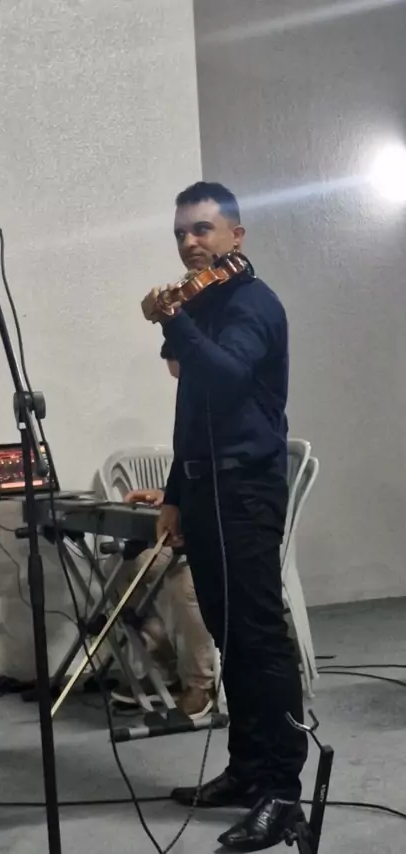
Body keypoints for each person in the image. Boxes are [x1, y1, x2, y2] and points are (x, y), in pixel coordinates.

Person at [141, 182, 308, 852]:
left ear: (235, 235)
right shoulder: (203, 305)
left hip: (246, 491)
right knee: (229, 635)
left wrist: (172, 319)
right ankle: (246, 772)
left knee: (260, 642)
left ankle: (283, 793)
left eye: (202, 229)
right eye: (181, 232)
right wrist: (174, 493)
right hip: (206, 489)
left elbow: (229, 377)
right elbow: (192, 408)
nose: (189, 242)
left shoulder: (252, 304)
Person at [110, 482, 216, 719]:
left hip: (230, 541)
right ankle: (164, 670)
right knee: (122, 568)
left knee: (184, 583)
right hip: (190, 535)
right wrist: (167, 497)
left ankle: (201, 684)